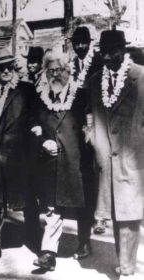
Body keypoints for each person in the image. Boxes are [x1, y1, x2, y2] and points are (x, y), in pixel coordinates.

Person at [86, 30, 144, 278]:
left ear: (124, 50)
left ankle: (127, 266)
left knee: (130, 213)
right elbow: (88, 115)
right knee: (119, 213)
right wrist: (92, 138)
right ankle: (124, 263)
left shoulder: (140, 76)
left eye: (113, 52)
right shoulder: (95, 80)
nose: (108, 57)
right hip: (106, 158)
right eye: (103, 52)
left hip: (134, 155)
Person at [0, 49, 39, 262]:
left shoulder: (26, 90)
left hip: (19, 151)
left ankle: (33, 236)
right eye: (0, 67)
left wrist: (35, 132)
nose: (5, 71)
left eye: (9, 66)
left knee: (27, 195)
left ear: (14, 67)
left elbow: (34, 117)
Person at [32, 50, 88, 271]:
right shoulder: (40, 98)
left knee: (82, 205)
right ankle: (48, 253)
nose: (55, 74)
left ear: (68, 71)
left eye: (60, 70)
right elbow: (32, 126)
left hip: (76, 162)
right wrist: (42, 142)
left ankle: (84, 241)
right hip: (50, 162)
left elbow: (89, 125)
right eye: (51, 70)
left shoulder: (80, 96)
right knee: (52, 208)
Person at [69, 26, 105, 260]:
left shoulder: (100, 63)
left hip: (99, 126)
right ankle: (84, 235)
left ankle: (99, 216)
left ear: (90, 43)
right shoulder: (69, 66)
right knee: (83, 179)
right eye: (76, 43)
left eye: (84, 43)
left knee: (99, 174)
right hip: (76, 130)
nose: (80, 47)